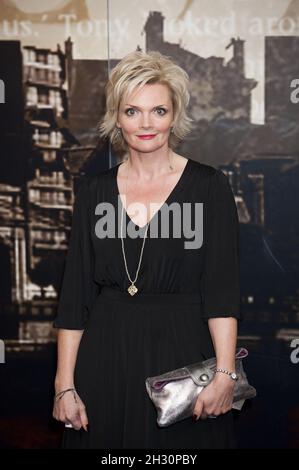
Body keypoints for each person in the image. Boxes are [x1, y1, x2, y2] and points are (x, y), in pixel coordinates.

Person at [52, 50, 241, 449]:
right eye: (132, 111)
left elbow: (221, 293)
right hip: (105, 356)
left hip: (183, 357)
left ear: (175, 116)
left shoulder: (209, 187)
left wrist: (226, 374)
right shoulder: (94, 191)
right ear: (117, 118)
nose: (146, 124)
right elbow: (75, 298)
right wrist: (64, 385)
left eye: (158, 110)